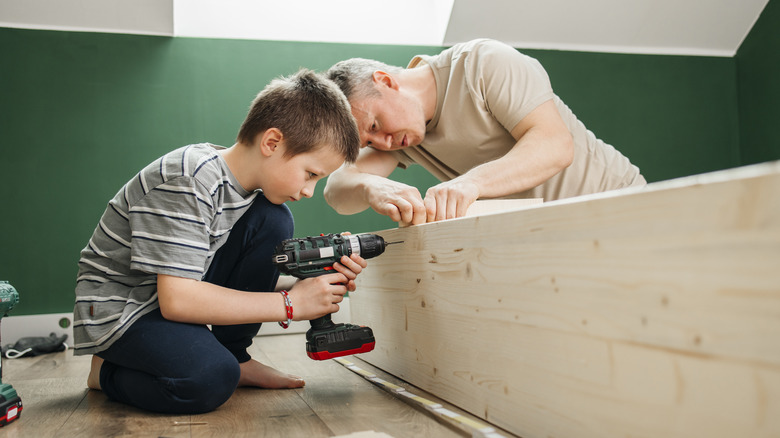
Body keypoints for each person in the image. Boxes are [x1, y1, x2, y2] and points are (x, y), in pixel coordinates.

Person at [72, 69, 362, 415]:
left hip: (166, 295)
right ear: (272, 143)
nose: (308, 190)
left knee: (274, 218)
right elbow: (177, 301)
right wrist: (291, 304)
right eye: (310, 174)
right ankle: (105, 373)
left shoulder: (244, 194)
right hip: (122, 310)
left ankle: (236, 357)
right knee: (209, 380)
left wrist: (310, 281)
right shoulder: (189, 179)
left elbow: (211, 274)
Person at [324, 38, 646, 226]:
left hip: (620, 205)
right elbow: (336, 189)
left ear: (386, 82)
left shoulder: (482, 63)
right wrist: (371, 187)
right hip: (551, 230)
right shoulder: (402, 138)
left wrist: (469, 184)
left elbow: (555, 145)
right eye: (369, 142)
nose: (382, 143)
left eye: (375, 126)